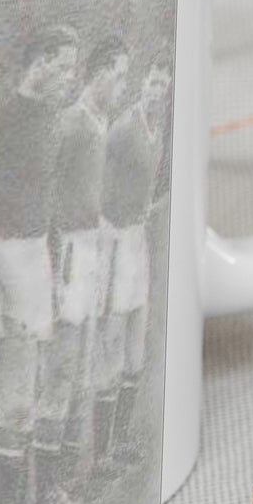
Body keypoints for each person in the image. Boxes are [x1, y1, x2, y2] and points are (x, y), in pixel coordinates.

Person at [0, 26, 80, 504]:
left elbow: (53, 199)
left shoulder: (52, 123)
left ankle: (43, 495)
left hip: (42, 256)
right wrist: (9, 277)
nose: (69, 78)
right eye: (63, 67)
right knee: (14, 396)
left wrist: (56, 269)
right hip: (7, 261)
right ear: (38, 64)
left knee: (50, 383)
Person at [43, 40, 128, 480]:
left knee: (87, 366)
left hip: (95, 249)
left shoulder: (100, 122)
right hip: (71, 252)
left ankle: (72, 475)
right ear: (96, 74)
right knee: (63, 367)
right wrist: (57, 260)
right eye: (117, 74)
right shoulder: (72, 123)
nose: (121, 85)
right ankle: (45, 488)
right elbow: (51, 193)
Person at [102, 59, 172, 463]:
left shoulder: (157, 130)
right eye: (152, 82)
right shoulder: (122, 131)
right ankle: (102, 452)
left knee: (134, 345)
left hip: (137, 239)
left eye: (163, 85)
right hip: (113, 237)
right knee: (111, 344)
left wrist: (150, 206)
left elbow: (157, 180)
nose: (156, 91)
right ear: (142, 85)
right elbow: (102, 184)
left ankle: (120, 440)